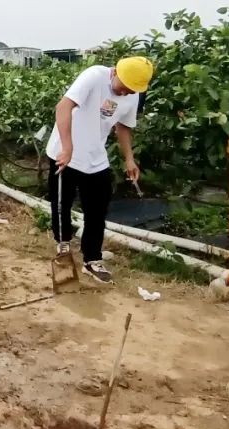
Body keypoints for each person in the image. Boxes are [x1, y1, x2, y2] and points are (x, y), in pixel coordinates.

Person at [45, 56, 154, 284]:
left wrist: (129, 159)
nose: (125, 93)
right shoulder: (94, 76)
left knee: (97, 209)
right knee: (61, 204)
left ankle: (92, 259)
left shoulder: (132, 93)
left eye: (131, 91)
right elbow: (63, 106)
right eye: (123, 88)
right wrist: (67, 147)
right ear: (115, 73)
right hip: (65, 153)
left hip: (95, 157)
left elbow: (123, 126)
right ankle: (63, 246)